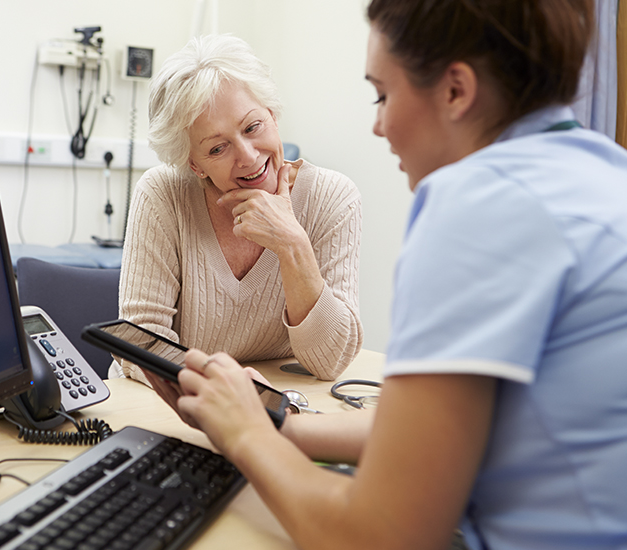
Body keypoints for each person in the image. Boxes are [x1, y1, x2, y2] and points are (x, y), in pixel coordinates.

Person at [166, 1, 627, 549]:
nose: (378, 125)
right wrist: (276, 423)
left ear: (456, 90)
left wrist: (244, 435)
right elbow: (434, 439)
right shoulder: (604, 170)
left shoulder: (477, 206)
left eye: (383, 94)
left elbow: (377, 536)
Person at [109, 35, 363, 383]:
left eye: (252, 126)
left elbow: (330, 361)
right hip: (162, 400)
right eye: (217, 149)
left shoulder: (333, 197)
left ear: (272, 115)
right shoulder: (163, 195)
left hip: (278, 405)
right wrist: (231, 387)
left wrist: (292, 245)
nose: (247, 156)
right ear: (195, 165)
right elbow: (141, 344)